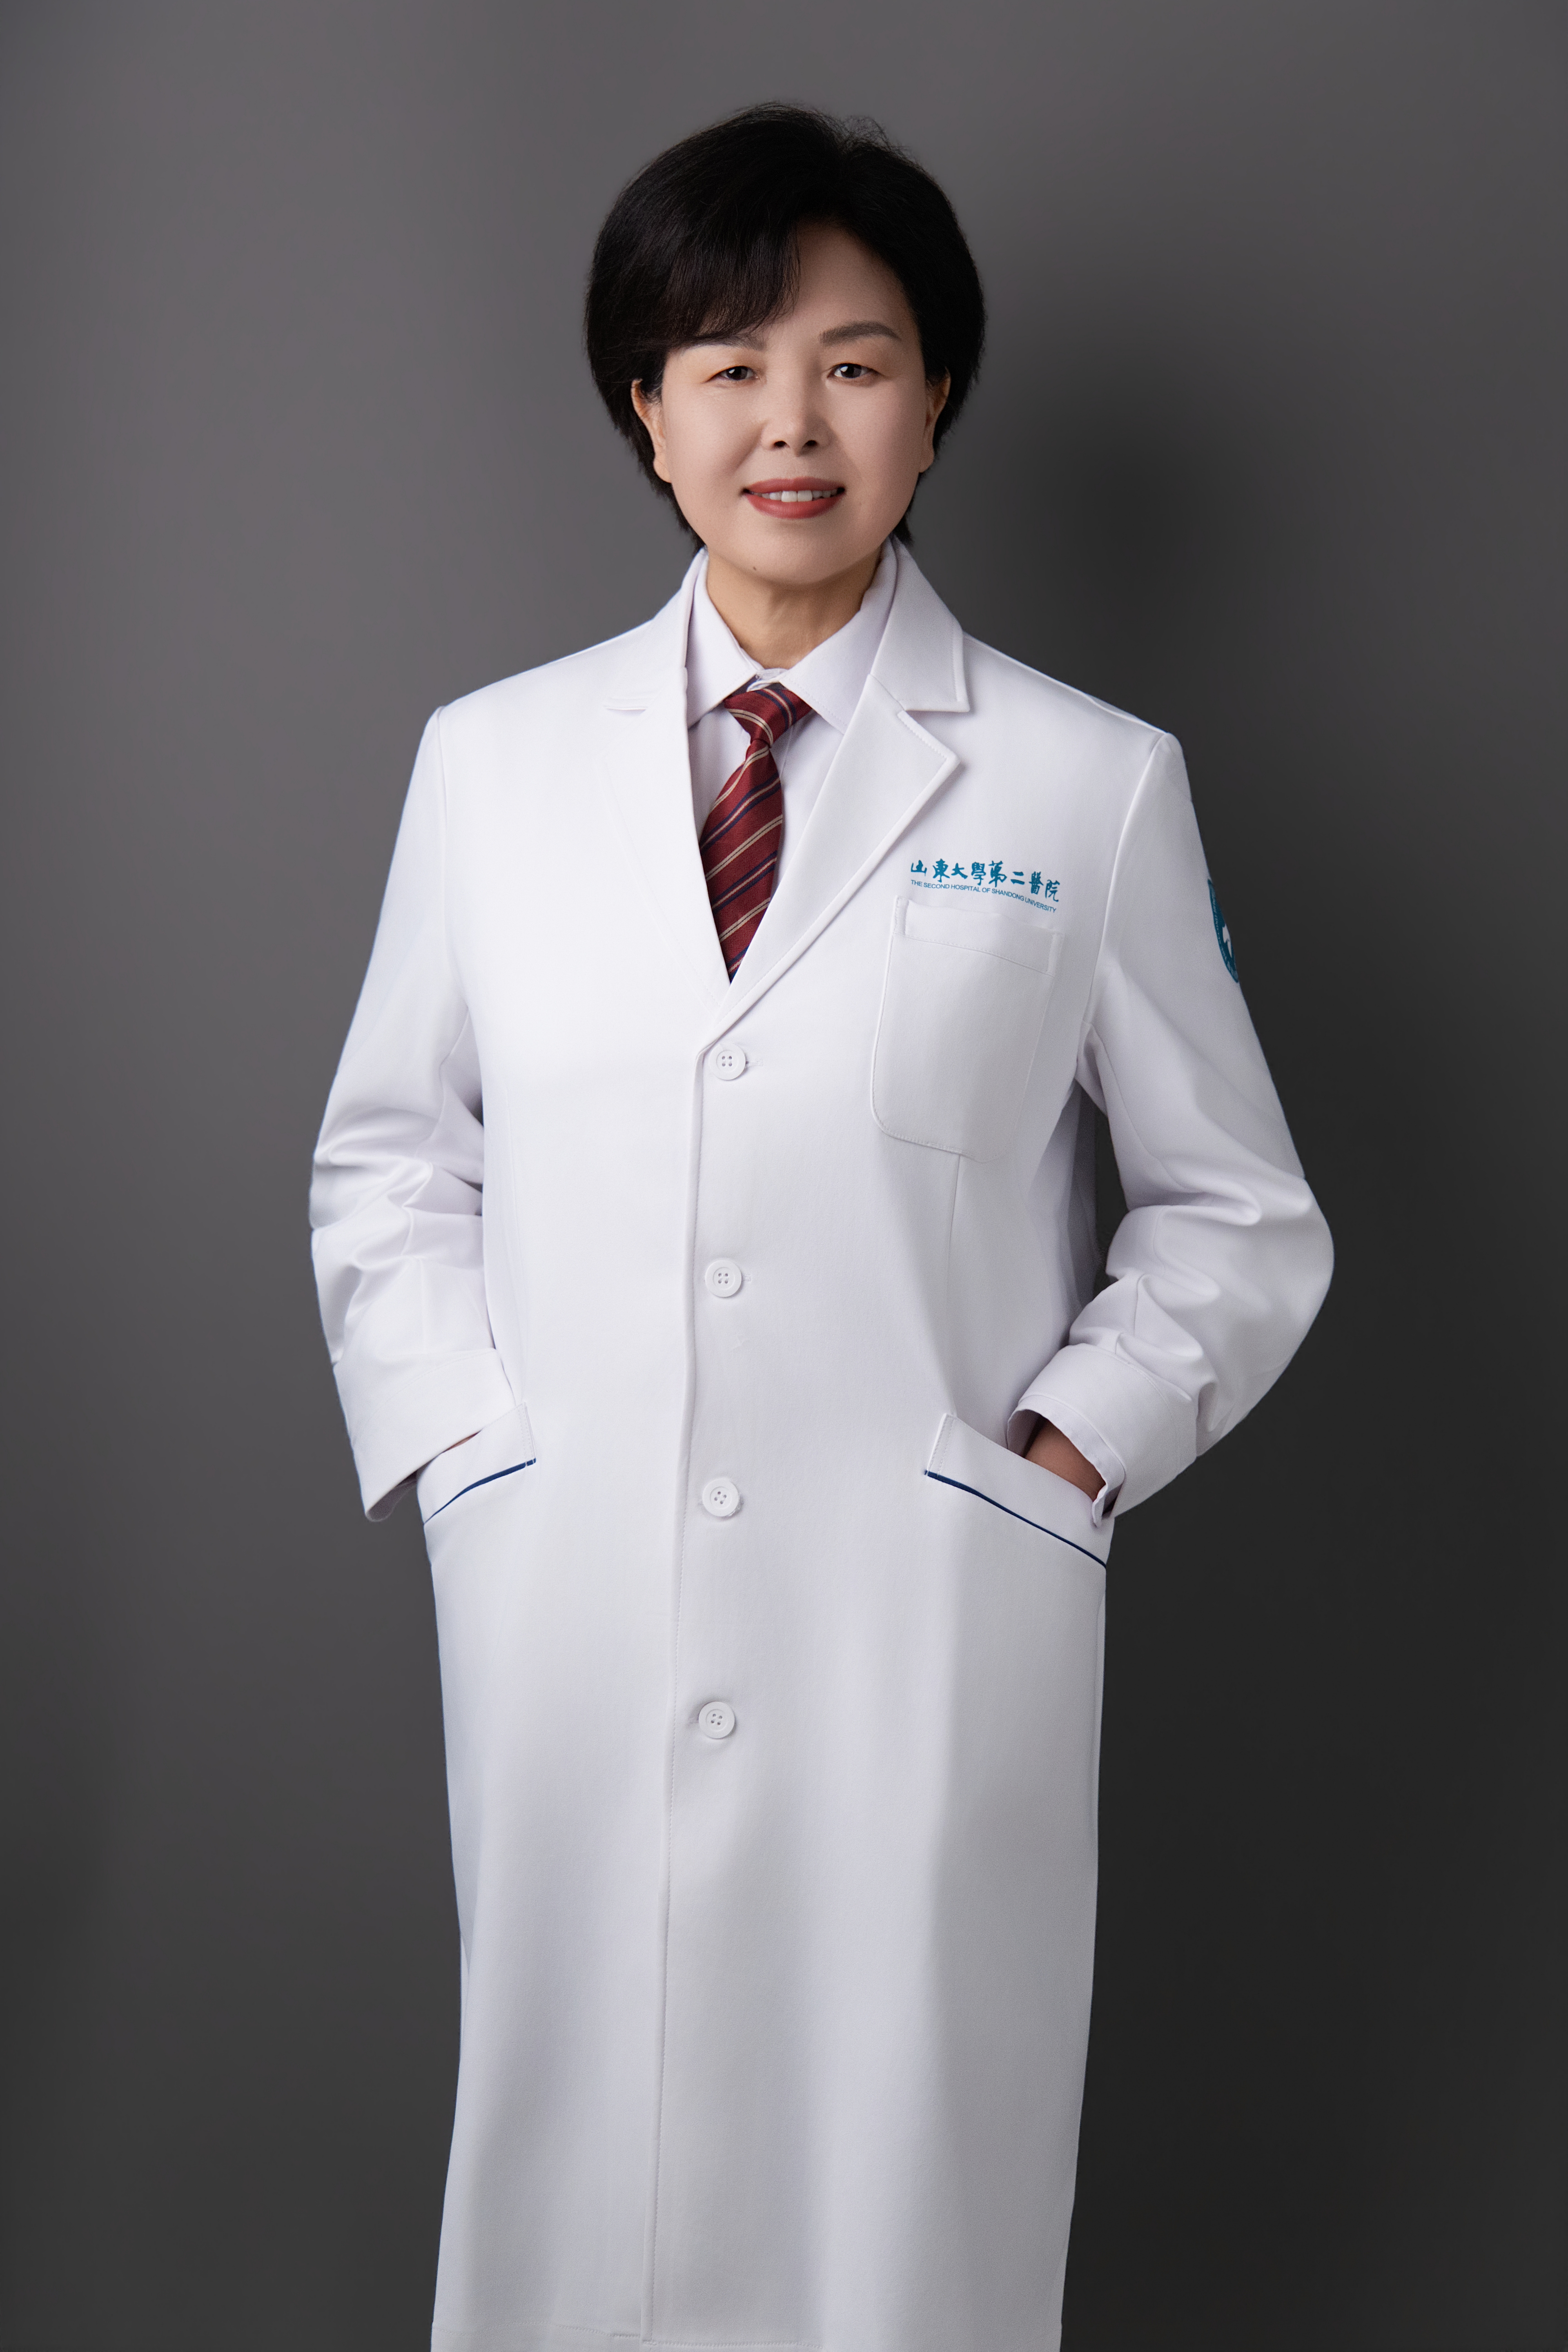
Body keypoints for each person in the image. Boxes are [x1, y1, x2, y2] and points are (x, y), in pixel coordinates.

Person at [311, 102, 1332, 2352]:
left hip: (923, 1615)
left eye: (855, 364)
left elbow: (1239, 1216)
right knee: (577, 2157)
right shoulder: (495, 767)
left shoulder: (1083, 783)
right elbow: (389, 1158)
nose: (792, 421)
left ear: (935, 402)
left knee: (899, 2189)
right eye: (730, 364)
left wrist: (1063, 1453)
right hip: (572, 1594)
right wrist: (475, 1457)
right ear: (647, 410)